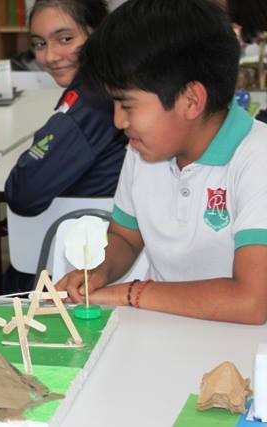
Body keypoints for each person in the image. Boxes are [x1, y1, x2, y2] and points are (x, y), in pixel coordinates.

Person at [56, 0, 267, 325]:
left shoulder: (257, 157)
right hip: (163, 332)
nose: (117, 121)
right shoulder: (143, 149)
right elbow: (126, 237)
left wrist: (130, 293)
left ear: (191, 100)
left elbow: (251, 301)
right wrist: (100, 271)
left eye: (127, 104)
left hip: (246, 352)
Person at [4, 0, 127, 217]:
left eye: (65, 39)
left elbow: (22, 193)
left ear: (99, 32)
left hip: (93, 235)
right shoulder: (116, 83)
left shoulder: (90, 103)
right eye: (40, 44)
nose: (50, 56)